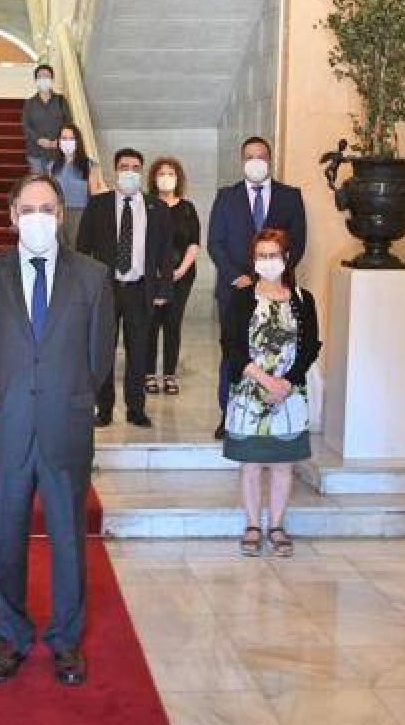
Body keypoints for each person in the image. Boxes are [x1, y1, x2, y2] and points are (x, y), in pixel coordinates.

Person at [0, 174, 115, 687]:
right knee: (7, 536)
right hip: (8, 427)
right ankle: (11, 636)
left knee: (69, 538)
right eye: (27, 209)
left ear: (61, 215)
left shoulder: (92, 277)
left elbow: (98, 359)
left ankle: (65, 642)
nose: (38, 217)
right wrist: (15, 391)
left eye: (47, 208)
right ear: (11, 216)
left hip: (64, 425)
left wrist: (62, 393)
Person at [223, 229, 320, 559]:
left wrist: (286, 384)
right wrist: (265, 381)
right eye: (261, 255)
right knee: (251, 463)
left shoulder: (303, 299)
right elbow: (232, 348)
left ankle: (276, 525)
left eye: (273, 255)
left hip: (289, 394)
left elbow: (310, 348)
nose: (267, 261)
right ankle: (252, 525)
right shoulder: (241, 297)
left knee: (282, 464)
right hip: (251, 391)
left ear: (287, 258)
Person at [208, 136, 307, 438]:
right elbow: (216, 242)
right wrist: (236, 277)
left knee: (278, 349)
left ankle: (276, 407)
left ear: (270, 159)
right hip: (236, 290)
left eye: (261, 156)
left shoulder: (290, 196)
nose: (256, 162)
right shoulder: (226, 197)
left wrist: (273, 277)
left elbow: (298, 244)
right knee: (234, 351)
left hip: (277, 290)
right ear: (242, 161)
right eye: (249, 157)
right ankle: (229, 413)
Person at [76, 148, 173, 428]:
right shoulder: (98, 205)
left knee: (139, 351)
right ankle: (104, 409)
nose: (129, 172)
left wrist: (164, 289)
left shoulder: (157, 208)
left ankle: (136, 409)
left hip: (141, 289)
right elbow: (83, 248)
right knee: (104, 349)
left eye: (134, 167)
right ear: (115, 170)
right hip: (105, 289)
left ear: (141, 172)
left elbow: (166, 253)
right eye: (124, 166)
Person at [145, 156, 200, 396]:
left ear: (178, 178)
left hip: (181, 276)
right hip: (152, 276)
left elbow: (194, 243)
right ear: (154, 179)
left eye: (170, 173)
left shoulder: (187, 208)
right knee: (150, 324)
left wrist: (180, 270)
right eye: (161, 173)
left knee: (172, 324)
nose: (166, 178)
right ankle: (148, 374)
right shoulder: (145, 205)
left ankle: (169, 375)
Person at [48, 123, 105, 248]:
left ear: (77, 141)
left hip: (80, 214)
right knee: (59, 250)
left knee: (77, 248)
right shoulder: (52, 166)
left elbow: (95, 192)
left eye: (71, 138)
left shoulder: (89, 165)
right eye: (64, 138)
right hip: (56, 213)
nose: (67, 142)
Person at [21, 64, 72, 174]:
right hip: (35, 152)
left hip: (56, 152)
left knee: (54, 184)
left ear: (52, 79)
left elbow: (68, 124)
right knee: (39, 184)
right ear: (36, 80)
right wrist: (38, 140)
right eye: (40, 76)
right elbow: (26, 126)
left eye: (47, 76)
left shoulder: (61, 101)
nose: (43, 79)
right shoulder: (29, 103)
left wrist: (58, 141)